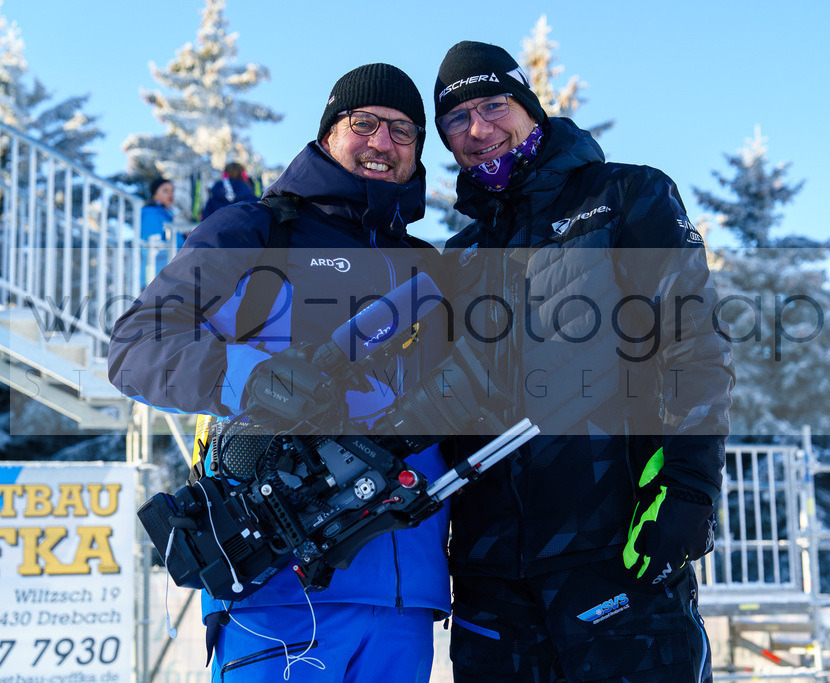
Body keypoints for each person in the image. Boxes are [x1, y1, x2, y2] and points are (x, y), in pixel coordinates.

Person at [109, 64, 449, 682]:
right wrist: (248, 375)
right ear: (328, 134)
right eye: (364, 123)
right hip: (278, 585)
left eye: (403, 131)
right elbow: (136, 345)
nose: (382, 142)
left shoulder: (428, 269)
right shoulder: (257, 231)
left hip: (406, 598)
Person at [434, 41, 734, 682]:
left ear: (531, 109)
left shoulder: (626, 195)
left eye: (493, 105)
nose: (478, 129)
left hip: (614, 549)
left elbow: (693, 344)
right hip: (491, 581)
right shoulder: (455, 259)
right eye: (457, 119)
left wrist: (688, 490)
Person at [139, 177, 175, 286]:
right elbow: (152, 245)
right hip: (156, 277)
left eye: (172, 191)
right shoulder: (151, 213)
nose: (170, 194)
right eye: (165, 190)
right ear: (155, 195)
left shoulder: (167, 216)